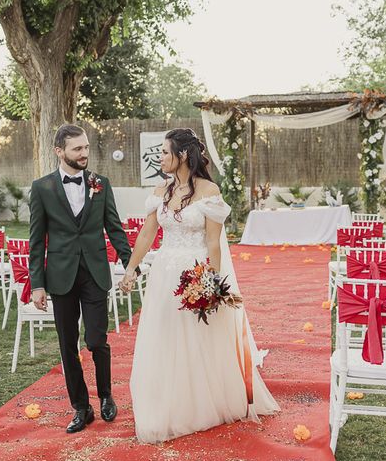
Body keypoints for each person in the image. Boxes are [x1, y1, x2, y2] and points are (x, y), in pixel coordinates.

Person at [120, 128, 280, 444]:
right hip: (164, 273)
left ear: (182, 155)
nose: (161, 158)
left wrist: (211, 283)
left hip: (195, 272)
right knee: (165, 337)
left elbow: (213, 242)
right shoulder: (160, 191)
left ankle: (202, 405)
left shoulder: (209, 192)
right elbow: (147, 234)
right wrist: (131, 268)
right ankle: (168, 404)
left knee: (196, 338)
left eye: (165, 152)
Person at [28, 124, 139, 433]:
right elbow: (36, 241)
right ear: (59, 151)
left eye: (86, 147)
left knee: (96, 340)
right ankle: (81, 407)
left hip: (94, 272)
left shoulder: (100, 184)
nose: (84, 154)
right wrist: (37, 283)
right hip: (60, 276)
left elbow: (114, 227)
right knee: (67, 345)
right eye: (77, 149)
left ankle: (105, 395)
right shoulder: (42, 188)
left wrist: (130, 264)